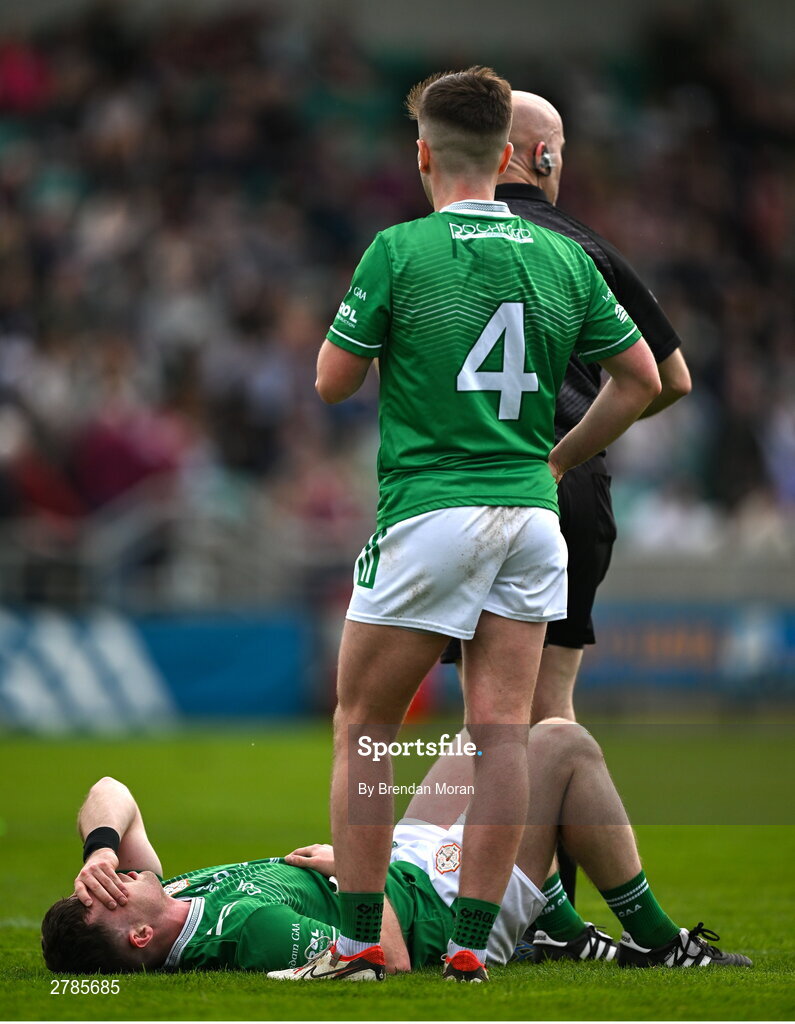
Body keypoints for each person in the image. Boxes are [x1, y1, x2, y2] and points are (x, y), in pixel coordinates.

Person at [312, 67, 661, 982]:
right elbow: (645, 382)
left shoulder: (398, 249)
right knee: (501, 732)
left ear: (422, 153)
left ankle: (355, 942)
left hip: (433, 509)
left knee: (363, 726)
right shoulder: (564, 255)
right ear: (509, 156)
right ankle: (471, 942)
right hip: (529, 515)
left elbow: (331, 382)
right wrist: (557, 458)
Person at [438, 90, 692, 914]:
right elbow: (669, 380)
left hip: (465, 485)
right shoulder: (582, 245)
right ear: (540, 157)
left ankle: (544, 914)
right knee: (545, 714)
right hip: (564, 481)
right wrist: (568, 452)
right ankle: (556, 914)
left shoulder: (436, 243)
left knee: (494, 720)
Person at [40, 723, 752, 977]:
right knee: (560, 746)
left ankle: (562, 932)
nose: (120, 876)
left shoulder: (176, 891)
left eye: (104, 877)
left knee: (482, 734)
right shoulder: (243, 935)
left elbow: (109, 787)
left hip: (400, 859)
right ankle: (659, 945)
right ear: (138, 931)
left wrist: (98, 849)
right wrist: (354, 868)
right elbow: (391, 961)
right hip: (443, 901)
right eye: (111, 890)